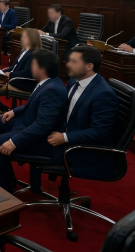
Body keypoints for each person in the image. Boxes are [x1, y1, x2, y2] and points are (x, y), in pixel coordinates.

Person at [0, 50, 68, 192]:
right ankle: (8, 177)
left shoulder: (52, 90)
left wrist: (14, 142)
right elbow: (36, 103)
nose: (30, 67)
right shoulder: (47, 82)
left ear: (42, 69)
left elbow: (43, 125)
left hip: (41, 139)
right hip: (28, 121)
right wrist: (14, 111)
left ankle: (3, 192)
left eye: (33, 64)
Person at [47, 46, 119, 180]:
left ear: (89, 66)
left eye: (74, 62)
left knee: (21, 144)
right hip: (64, 133)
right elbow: (60, 105)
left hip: (82, 150)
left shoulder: (104, 94)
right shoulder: (74, 80)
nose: (67, 64)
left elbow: (100, 132)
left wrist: (65, 137)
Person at [0, 28, 42, 94]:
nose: (21, 39)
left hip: (22, 84)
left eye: (24, 37)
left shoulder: (33, 55)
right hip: (14, 79)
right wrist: (3, 73)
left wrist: (10, 75)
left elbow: (27, 74)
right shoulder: (24, 50)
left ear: (31, 39)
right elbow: (14, 66)